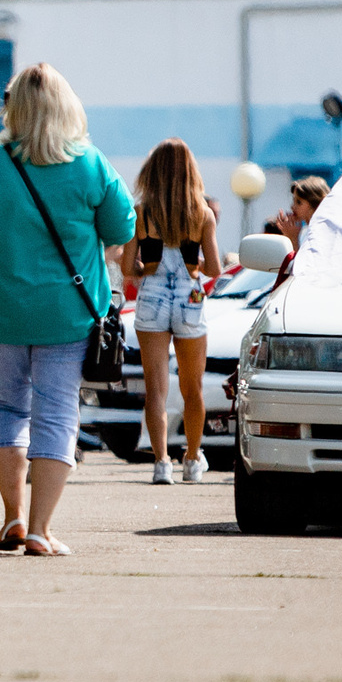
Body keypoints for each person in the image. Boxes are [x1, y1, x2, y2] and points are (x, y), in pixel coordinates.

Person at [0, 63, 135, 556]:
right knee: (55, 413)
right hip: (68, 314)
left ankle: (11, 517)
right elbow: (120, 230)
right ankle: (40, 529)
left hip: (1, 310)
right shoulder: (91, 164)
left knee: (5, 407)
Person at [126, 139, 222, 486]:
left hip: (152, 296)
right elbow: (213, 268)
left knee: (156, 387)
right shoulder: (202, 214)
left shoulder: (141, 212)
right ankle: (193, 459)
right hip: (190, 299)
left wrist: (143, 268)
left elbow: (128, 265)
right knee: (192, 386)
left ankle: (161, 461)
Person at [268, 176, 329, 248]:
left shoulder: (323, 233)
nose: (292, 207)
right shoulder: (304, 232)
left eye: (299, 202)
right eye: (293, 201)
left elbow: (305, 259)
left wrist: (293, 239)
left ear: (316, 204)